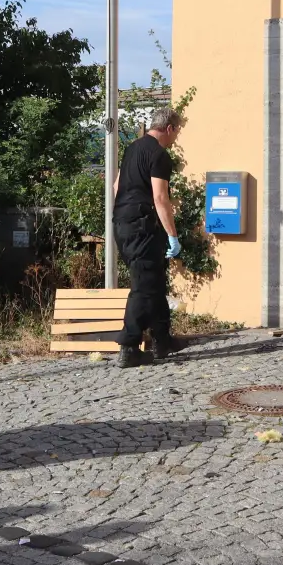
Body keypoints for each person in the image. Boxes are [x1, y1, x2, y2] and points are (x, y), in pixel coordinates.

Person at [110, 107, 184, 369]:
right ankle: (129, 347)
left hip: (123, 223)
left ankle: (162, 339)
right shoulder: (159, 155)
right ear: (170, 128)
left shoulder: (133, 149)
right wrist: (172, 235)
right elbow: (160, 198)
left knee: (153, 280)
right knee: (142, 286)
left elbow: (116, 186)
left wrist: (125, 214)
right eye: (178, 131)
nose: (176, 137)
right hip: (142, 225)